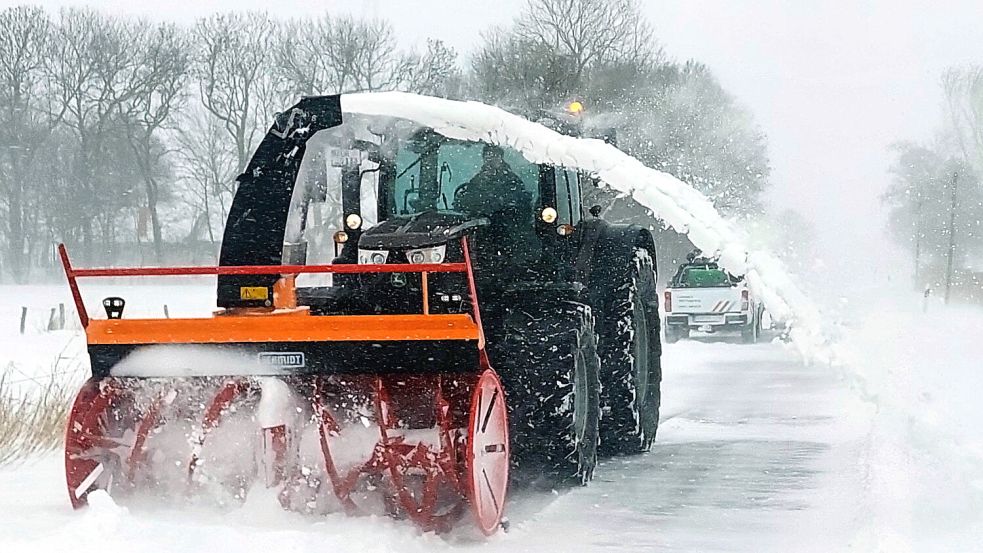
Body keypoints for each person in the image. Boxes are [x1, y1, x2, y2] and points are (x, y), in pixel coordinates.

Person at [453, 144, 531, 219]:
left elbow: (520, 205)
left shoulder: (513, 181)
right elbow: (467, 201)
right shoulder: (476, 181)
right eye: (488, 157)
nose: (491, 161)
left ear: (501, 158)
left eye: (495, 156)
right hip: (480, 225)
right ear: (484, 159)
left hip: (506, 226)